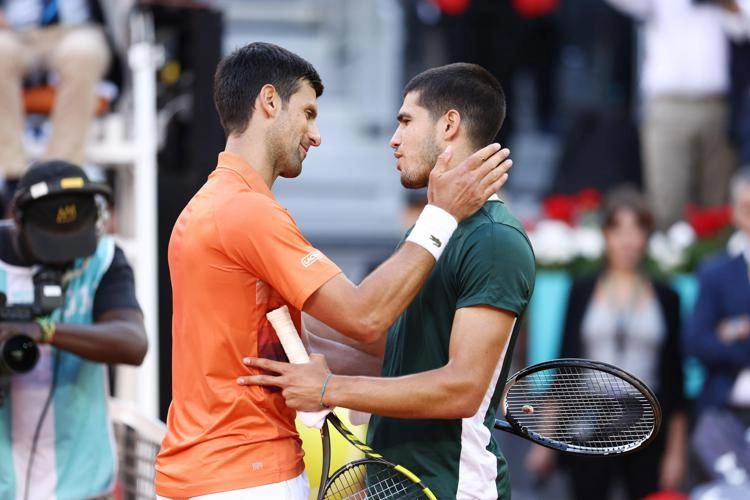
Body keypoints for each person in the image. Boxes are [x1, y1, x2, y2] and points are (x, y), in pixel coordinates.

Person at [154, 43, 512, 499]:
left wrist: (342, 380)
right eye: (307, 113)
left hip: (201, 472)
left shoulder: (206, 206)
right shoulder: (247, 213)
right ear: (269, 102)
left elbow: (293, 344)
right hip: (247, 473)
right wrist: (440, 217)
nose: (316, 134)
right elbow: (363, 317)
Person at [240, 62, 536, 499]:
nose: (393, 139)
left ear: (449, 124)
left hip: (450, 489)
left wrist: (329, 388)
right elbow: (401, 357)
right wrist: (311, 354)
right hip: (395, 485)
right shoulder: (433, 231)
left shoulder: (495, 239)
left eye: (406, 121)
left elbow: (462, 389)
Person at [525, 186, 688, 499]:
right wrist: (546, 438)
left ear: (646, 236)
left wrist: (676, 452)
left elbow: (675, 378)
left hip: (647, 422)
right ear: (605, 235)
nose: (628, 240)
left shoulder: (667, 296)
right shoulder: (582, 290)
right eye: (618, 229)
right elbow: (565, 366)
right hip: (588, 420)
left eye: (636, 229)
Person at [0, 159, 147, 499]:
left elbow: (133, 342)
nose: (63, 261)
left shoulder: (103, 258)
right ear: (18, 221)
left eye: (72, 246)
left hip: (83, 484)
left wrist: (45, 331)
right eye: (51, 246)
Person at [603, 0, 750, 228]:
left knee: (717, 209)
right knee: (666, 205)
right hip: (668, 106)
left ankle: (713, 263)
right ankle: (670, 261)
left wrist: (728, 4)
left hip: (721, 107)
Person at [0, 0, 112, 194]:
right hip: (15, 32)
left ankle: (58, 175)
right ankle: (12, 178)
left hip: (77, 29)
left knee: (84, 52)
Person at [685, 167, 750, 485]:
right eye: (747, 207)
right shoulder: (716, 272)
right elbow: (697, 342)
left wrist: (734, 330)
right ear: (734, 211)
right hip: (725, 413)